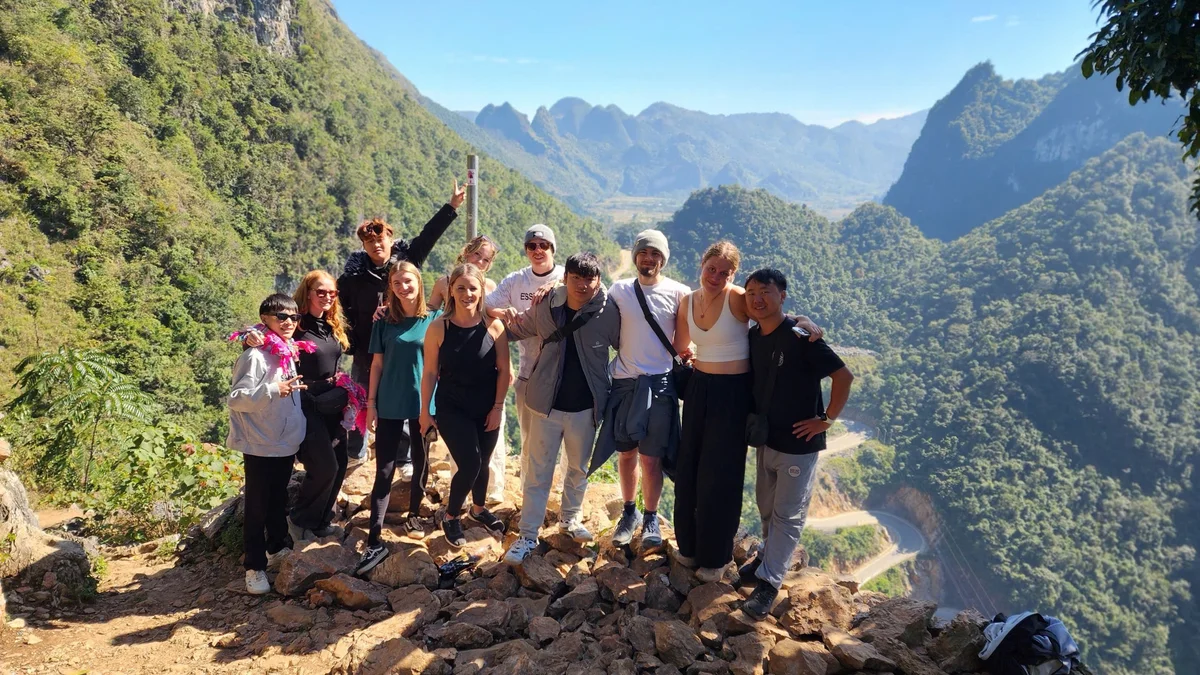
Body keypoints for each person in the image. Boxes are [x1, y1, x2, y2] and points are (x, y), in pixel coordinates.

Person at [671, 242, 823, 582]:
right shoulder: (687, 301)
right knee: (690, 468)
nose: (716, 276)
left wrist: (802, 319)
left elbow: (772, 315)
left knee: (720, 476)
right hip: (698, 390)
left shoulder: (738, 297)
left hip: (733, 394)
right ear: (702, 263)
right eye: (712, 268)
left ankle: (715, 557)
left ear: (733, 274)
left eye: (725, 272)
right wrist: (690, 359)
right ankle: (690, 546)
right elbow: (681, 344)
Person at [737, 268, 855, 620]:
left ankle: (769, 583)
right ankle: (765, 557)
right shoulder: (755, 335)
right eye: (752, 292)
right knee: (767, 506)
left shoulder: (803, 337)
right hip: (765, 438)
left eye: (766, 292)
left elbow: (844, 376)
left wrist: (827, 420)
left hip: (798, 444)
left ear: (782, 296)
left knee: (787, 515)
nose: (758, 299)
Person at [502, 253, 621, 565]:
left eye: (589, 279)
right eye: (576, 278)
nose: (582, 285)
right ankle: (528, 536)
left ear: (598, 280)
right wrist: (476, 321)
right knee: (538, 472)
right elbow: (516, 329)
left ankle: (570, 519)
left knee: (578, 468)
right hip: (546, 405)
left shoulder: (608, 312)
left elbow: (629, 346)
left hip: (585, 407)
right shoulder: (547, 306)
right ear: (565, 278)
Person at [339, 182, 467, 465]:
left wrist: (452, 207)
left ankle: (404, 459)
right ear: (363, 245)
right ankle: (355, 453)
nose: (376, 245)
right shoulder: (354, 275)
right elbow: (339, 309)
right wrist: (349, 340)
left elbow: (428, 235)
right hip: (366, 348)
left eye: (380, 239)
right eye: (369, 242)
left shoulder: (407, 259)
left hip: (405, 343)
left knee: (409, 395)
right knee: (361, 398)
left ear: (390, 239)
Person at [590, 229, 689, 552]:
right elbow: (586, 299)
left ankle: (650, 516)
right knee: (626, 453)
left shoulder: (679, 293)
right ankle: (629, 512)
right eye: (644, 253)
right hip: (625, 382)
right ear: (635, 256)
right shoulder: (619, 290)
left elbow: (701, 322)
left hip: (659, 384)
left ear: (664, 259)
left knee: (651, 458)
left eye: (656, 254)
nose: (649, 259)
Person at [355, 262, 443, 575]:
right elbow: (376, 365)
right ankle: (375, 535)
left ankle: (414, 515)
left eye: (407, 281)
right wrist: (372, 403)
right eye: (396, 283)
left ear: (419, 282)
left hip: (423, 403)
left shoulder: (434, 319)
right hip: (390, 400)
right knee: (385, 469)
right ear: (390, 287)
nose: (403, 287)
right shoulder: (385, 321)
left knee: (421, 461)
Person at [421, 263, 512, 547]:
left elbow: (505, 371)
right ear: (451, 291)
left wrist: (497, 407)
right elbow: (430, 373)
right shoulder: (439, 328)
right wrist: (425, 411)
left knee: (482, 461)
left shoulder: (494, 326)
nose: (467, 294)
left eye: (473, 288)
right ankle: (450, 516)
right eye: (461, 288)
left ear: (482, 291)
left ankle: (478, 509)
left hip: (486, 407)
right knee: (470, 461)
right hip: (451, 408)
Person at [226, 294, 308, 594]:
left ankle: (275, 548)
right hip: (260, 442)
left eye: (294, 317)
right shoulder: (254, 355)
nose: (289, 322)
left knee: (277, 499)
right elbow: (236, 399)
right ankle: (254, 567)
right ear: (265, 319)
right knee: (257, 506)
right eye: (281, 317)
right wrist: (274, 388)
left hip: (284, 439)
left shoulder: (287, 350)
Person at [430, 234, 508, 504]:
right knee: (466, 456)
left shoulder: (489, 286)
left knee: (488, 453)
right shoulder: (445, 284)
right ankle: (457, 503)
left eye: (486, 259)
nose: (481, 262)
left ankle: (486, 499)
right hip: (455, 380)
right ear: (467, 253)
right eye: (478, 256)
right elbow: (429, 311)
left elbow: (494, 317)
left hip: (485, 378)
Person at [486, 225, 564, 465]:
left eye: (543, 245)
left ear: (553, 248)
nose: (537, 250)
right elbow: (484, 308)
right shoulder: (515, 280)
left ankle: (561, 495)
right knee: (529, 439)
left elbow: (590, 287)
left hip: (563, 374)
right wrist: (502, 311)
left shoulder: (566, 275)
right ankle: (529, 497)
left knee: (565, 441)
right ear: (526, 250)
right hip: (527, 373)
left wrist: (555, 286)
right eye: (532, 246)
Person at [286, 271, 354, 542]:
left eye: (332, 293)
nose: (327, 297)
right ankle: (299, 520)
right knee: (323, 465)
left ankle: (322, 521)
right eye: (321, 292)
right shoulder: (296, 324)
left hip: (333, 399)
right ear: (308, 292)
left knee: (339, 461)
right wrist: (250, 338)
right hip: (306, 401)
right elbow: (266, 333)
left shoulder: (331, 324)